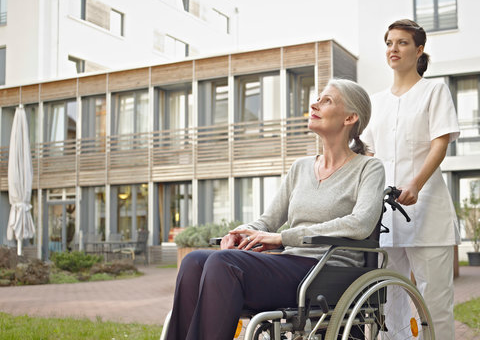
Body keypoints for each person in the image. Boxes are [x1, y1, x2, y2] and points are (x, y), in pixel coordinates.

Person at [166, 78, 386, 340]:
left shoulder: (369, 168)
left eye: (326, 100)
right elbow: (267, 221)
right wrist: (245, 232)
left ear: (350, 117)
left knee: (224, 263)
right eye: (317, 98)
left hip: (327, 271)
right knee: (194, 261)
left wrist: (284, 238)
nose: (314, 104)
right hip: (290, 264)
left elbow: (360, 223)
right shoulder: (301, 167)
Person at [361, 19, 460, 339]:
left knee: (435, 303)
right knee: (389, 304)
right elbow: (369, 153)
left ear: (419, 50)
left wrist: (416, 183)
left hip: (428, 211)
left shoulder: (434, 91)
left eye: (402, 43)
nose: (394, 48)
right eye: (389, 42)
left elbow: (440, 143)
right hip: (387, 216)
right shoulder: (376, 102)